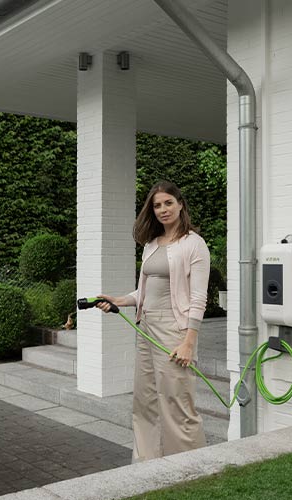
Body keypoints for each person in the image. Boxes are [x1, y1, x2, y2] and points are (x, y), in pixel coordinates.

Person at [95, 180, 210, 462]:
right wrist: (120, 300)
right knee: (145, 402)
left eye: (168, 203)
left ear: (181, 204)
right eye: (157, 205)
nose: (162, 210)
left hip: (175, 330)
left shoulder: (194, 244)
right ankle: (147, 466)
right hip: (146, 327)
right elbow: (147, 290)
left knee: (176, 401)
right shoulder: (151, 244)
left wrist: (188, 343)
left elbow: (198, 298)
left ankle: (190, 467)